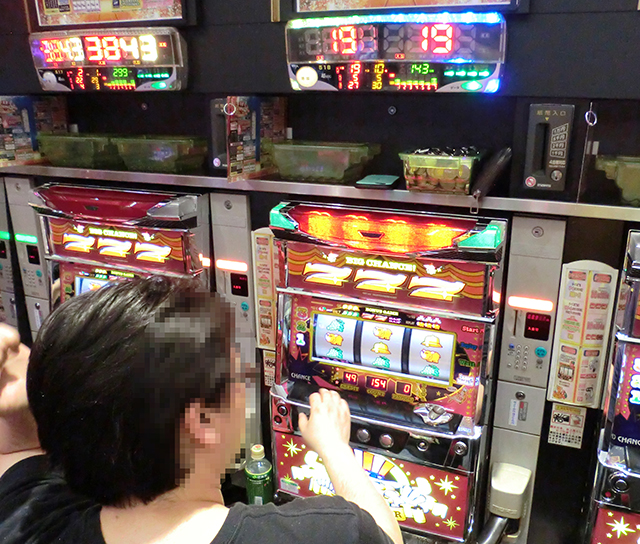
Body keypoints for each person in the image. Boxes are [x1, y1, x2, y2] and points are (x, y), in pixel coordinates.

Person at [0, 277, 403, 544]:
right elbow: (384, 536)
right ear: (204, 420)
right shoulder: (324, 533)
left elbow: (22, 426)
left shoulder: (32, 520)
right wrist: (334, 448)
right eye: (239, 377)